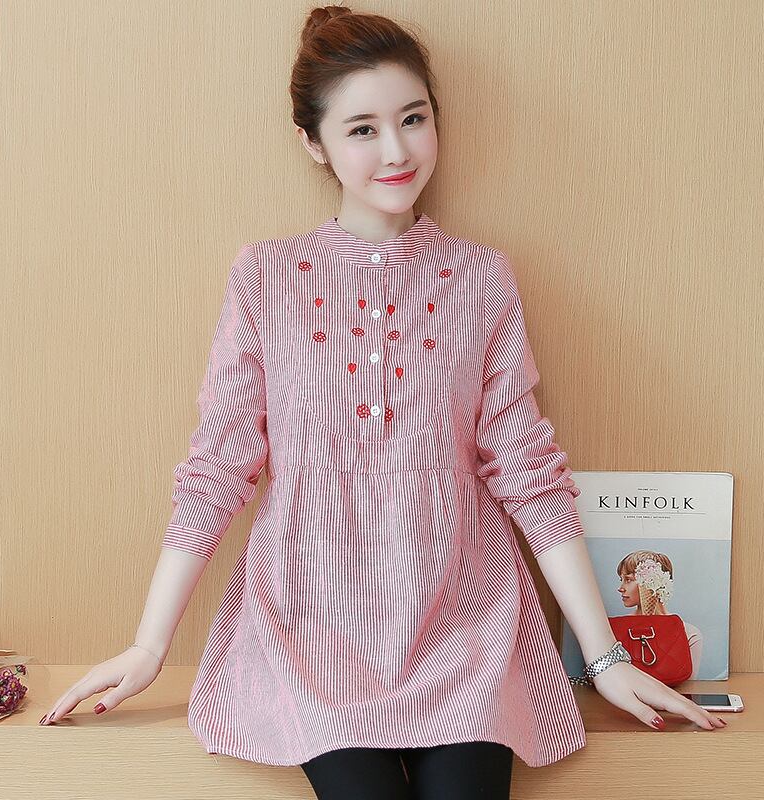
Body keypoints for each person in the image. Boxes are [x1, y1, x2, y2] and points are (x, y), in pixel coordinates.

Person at [39, 5, 728, 799]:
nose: (397, 149)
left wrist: (605, 659)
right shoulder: (266, 276)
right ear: (314, 143)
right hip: (311, 626)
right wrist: (148, 644)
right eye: (362, 129)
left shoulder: (483, 277)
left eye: (413, 118)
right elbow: (218, 467)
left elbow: (529, 472)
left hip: (461, 624)